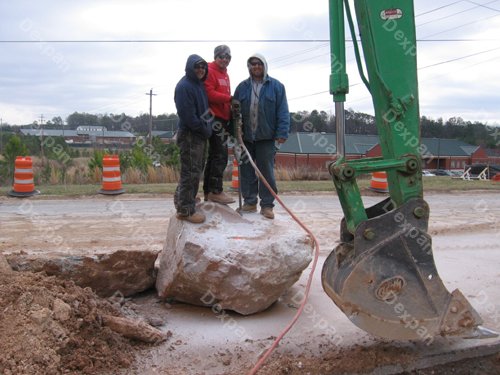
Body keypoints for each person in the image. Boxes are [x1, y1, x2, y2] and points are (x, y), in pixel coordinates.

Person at [233, 53, 290, 219]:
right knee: (246, 171)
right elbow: (234, 113)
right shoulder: (242, 87)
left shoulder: (277, 87)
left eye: (259, 64)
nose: (256, 67)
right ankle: (250, 202)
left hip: (266, 137)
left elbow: (283, 111)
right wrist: (235, 135)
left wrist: (282, 133)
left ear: (264, 66)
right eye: (252, 64)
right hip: (245, 138)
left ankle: (267, 205)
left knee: (266, 172)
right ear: (249, 67)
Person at [173, 54, 212, 224]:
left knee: (194, 170)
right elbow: (188, 116)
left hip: (199, 135)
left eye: (203, 67)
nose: (200, 70)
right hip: (190, 135)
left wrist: (209, 126)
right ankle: (185, 210)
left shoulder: (198, 85)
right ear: (190, 67)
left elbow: (204, 111)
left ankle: (183, 200)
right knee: (190, 172)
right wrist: (204, 129)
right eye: (197, 67)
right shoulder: (184, 86)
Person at [202, 45, 235, 204]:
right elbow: (209, 94)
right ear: (216, 57)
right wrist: (229, 99)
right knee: (221, 155)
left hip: (223, 118)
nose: (225, 60)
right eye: (221, 56)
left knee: (214, 155)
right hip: (214, 118)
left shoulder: (225, 74)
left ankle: (209, 192)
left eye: (228, 57)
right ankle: (215, 190)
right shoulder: (210, 71)